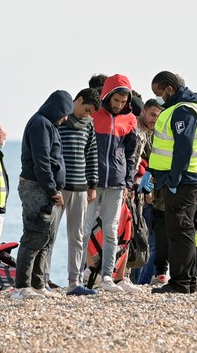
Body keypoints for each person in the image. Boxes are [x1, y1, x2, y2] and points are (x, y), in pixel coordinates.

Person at [148, 71, 197, 294]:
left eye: (159, 93)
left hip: (183, 180)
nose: (160, 98)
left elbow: (183, 147)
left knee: (179, 230)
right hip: (187, 178)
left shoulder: (183, 110)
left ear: (169, 89)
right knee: (184, 230)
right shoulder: (187, 107)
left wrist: (174, 178)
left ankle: (181, 282)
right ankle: (188, 281)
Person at [11, 90, 74, 299]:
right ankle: (21, 287)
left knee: (46, 237)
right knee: (34, 234)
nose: (65, 119)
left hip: (45, 188)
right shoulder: (40, 124)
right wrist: (53, 190)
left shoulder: (50, 125)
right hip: (37, 187)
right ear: (56, 108)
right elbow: (42, 162)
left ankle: (37, 285)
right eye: (64, 113)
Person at [83, 74, 139, 293]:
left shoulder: (130, 120)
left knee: (111, 230)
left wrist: (127, 182)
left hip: (117, 183)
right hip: (92, 184)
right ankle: (78, 277)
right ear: (107, 96)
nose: (119, 105)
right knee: (84, 229)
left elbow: (130, 154)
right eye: (116, 100)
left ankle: (107, 277)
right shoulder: (94, 115)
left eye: (123, 102)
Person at [46, 88, 101, 296]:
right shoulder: (58, 121)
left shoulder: (89, 124)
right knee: (49, 235)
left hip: (80, 189)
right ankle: (44, 279)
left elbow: (92, 154)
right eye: (86, 109)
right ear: (78, 100)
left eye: (90, 113)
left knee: (77, 236)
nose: (87, 114)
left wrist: (93, 185)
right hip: (59, 189)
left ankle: (74, 282)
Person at [131, 98, 164, 285]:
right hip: (134, 191)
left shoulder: (152, 134)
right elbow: (133, 162)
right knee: (137, 238)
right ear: (143, 111)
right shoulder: (135, 130)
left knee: (142, 239)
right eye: (152, 115)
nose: (154, 120)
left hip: (145, 193)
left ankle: (138, 282)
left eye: (158, 118)